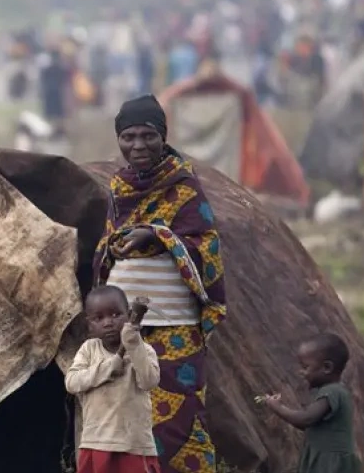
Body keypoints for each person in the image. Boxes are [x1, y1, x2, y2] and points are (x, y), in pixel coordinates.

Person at [93, 94, 228, 473]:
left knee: (181, 416)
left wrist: (157, 237)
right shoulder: (118, 188)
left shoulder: (183, 185)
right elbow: (107, 241)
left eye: (148, 136)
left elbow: (207, 246)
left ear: (163, 135)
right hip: (126, 329)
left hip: (175, 328)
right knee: (127, 415)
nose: (138, 146)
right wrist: (115, 246)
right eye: (129, 137)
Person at [65, 286, 161, 473]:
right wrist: (108, 368)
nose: (108, 323)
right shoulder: (89, 350)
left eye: (116, 314)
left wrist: (133, 345)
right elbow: (72, 382)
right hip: (96, 442)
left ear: (129, 315)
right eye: (99, 318)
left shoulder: (143, 350)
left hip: (133, 444)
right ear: (89, 324)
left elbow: (149, 381)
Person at [261, 333, 364, 473]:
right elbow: (313, 424)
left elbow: (306, 419)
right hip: (324, 459)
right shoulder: (329, 391)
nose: (301, 372)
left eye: (305, 367)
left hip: (331, 464)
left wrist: (277, 407)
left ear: (327, 367)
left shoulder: (332, 392)